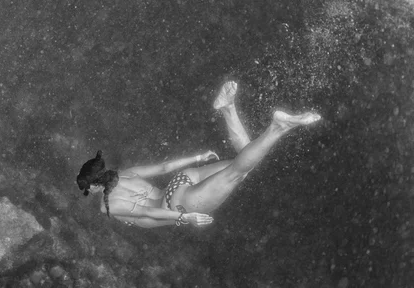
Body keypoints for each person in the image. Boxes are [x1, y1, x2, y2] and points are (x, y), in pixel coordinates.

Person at [76, 81, 321, 228]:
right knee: (242, 164)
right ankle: (228, 108)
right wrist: (196, 158)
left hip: (177, 204)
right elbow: (164, 168)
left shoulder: (108, 206)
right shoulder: (124, 174)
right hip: (182, 180)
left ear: (94, 187)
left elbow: (148, 212)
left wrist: (185, 218)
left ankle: (278, 127)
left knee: (238, 171)